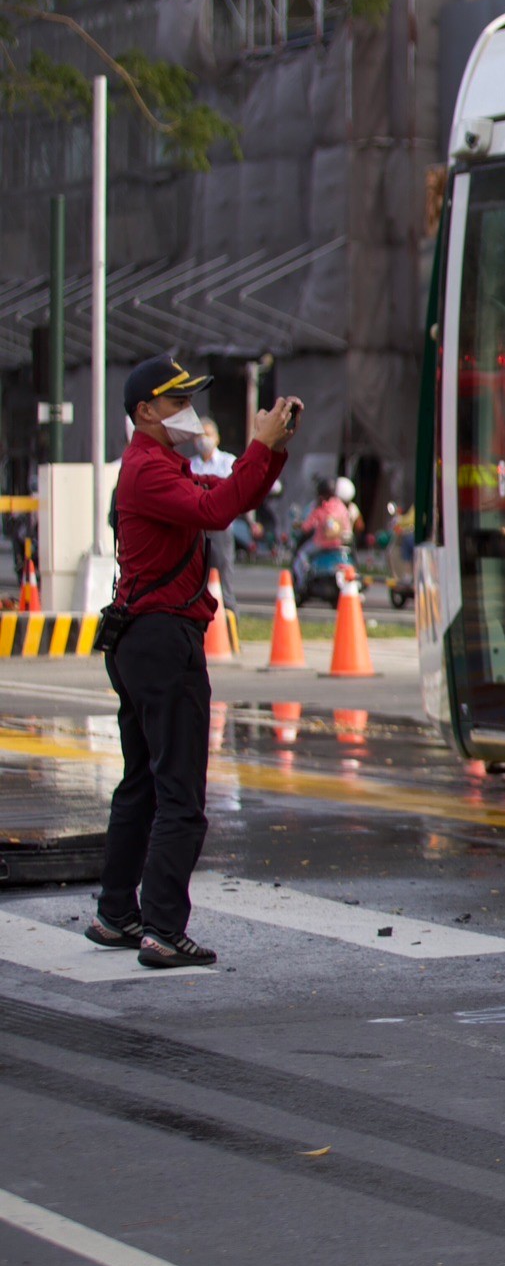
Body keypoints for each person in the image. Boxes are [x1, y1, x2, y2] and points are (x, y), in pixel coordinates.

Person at [86, 356, 299, 967]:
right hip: (161, 640)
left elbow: (230, 498)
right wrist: (258, 447)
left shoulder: (162, 467)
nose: (189, 411)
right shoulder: (148, 471)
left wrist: (271, 450)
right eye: (175, 401)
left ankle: (116, 915)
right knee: (180, 795)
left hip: (141, 641)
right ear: (144, 412)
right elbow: (214, 511)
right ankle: (161, 930)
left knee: (142, 787)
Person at [186, 419, 239, 588]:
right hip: (195, 530)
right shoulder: (189, 466)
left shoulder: (228, 463)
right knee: (195, 579)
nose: (203, 439)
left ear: (217, 438)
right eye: (200, 435)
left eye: (207, 434)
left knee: (223, 579)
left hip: (221, 530)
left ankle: (229, 612)